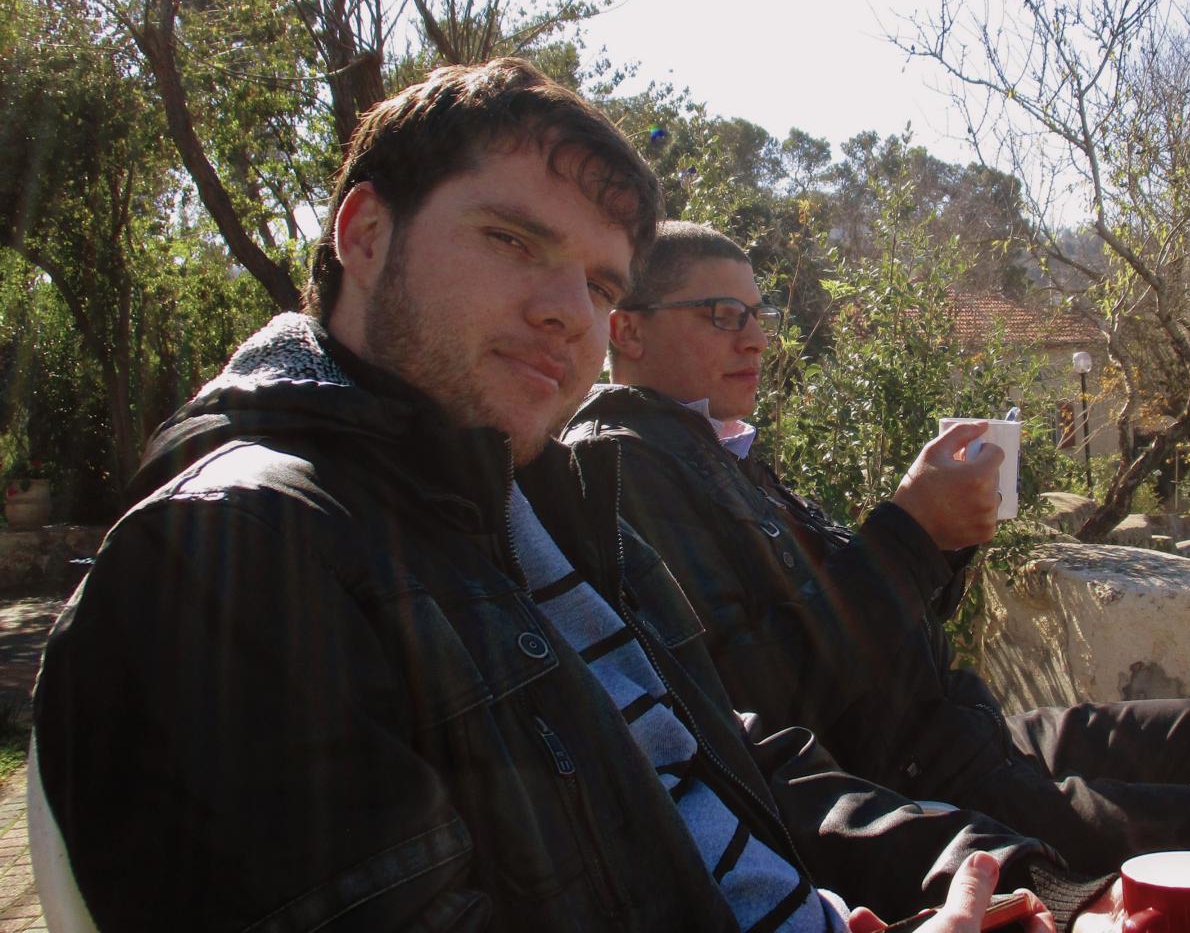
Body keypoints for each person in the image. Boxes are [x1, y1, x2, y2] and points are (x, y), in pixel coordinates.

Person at [29, 61, 1090, 931]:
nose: (569, 315)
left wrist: (1011, 876)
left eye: (599, 284)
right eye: (512, 241)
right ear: (365, 234)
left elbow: (721, 757)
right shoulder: (229, 554)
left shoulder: (542, 511)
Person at [563, 221, 1190, 933]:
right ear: (625, 330)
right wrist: (909, 531)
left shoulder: (721, 450)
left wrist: (944, 541)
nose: (756, 337)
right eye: (722, 315)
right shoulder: (627, 469)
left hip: (970, 731)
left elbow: (865, 626)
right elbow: (764, 700)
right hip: (929, 777)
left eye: (758, 314)